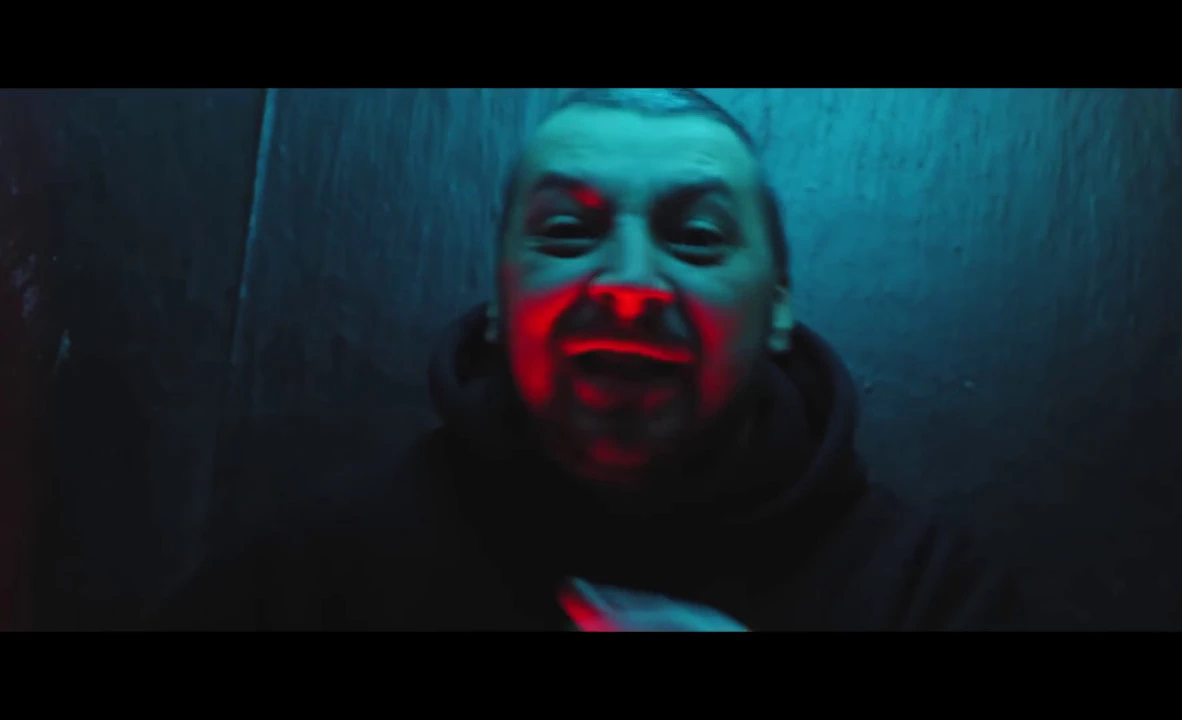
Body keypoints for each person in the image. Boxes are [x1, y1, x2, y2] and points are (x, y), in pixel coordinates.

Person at [155, 88, 1034, 631]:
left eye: (696, 237)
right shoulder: (315, 581)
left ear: (777, 308)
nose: (629, 283)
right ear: (498, 300)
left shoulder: (931, 597)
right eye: (569, 232)